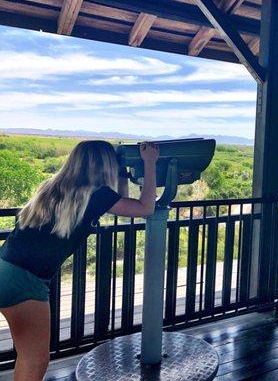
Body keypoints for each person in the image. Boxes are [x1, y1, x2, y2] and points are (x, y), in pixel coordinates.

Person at [0, 140, 159, 380]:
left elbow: (120, 202)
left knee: (27, 353)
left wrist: (122, 175)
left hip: (4, 267)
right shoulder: (96, 194)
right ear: (105, 165)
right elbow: (146, 208)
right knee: (34, 357)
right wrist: (150, 164)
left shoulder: (52, 186)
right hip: (26, 282)